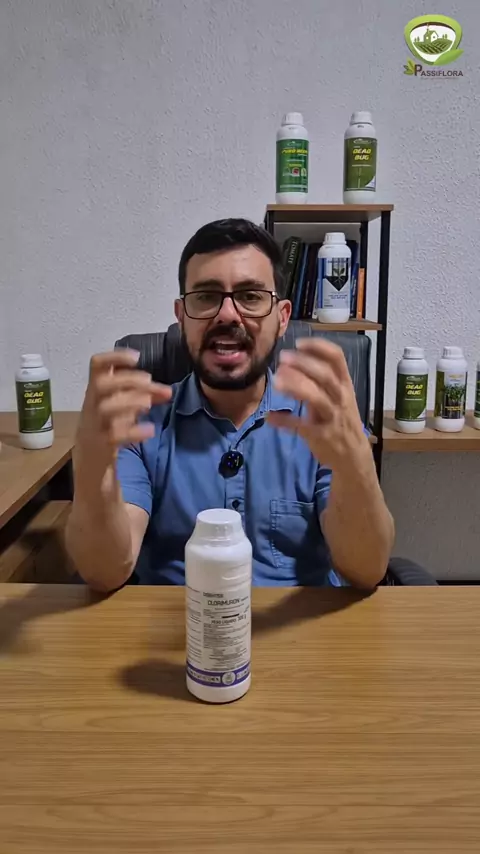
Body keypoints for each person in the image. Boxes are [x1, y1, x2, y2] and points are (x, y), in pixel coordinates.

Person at [66, 218, 394, 591]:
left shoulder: (324, 424)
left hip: (299, 624)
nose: (227, 315)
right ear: (181, 316)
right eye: (206, 296)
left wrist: (355, 464)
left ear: (282, 318)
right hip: (177, 620)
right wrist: (91, 470)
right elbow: (106, 571)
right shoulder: (138, 427)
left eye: (250, 296)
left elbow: (366, 569)